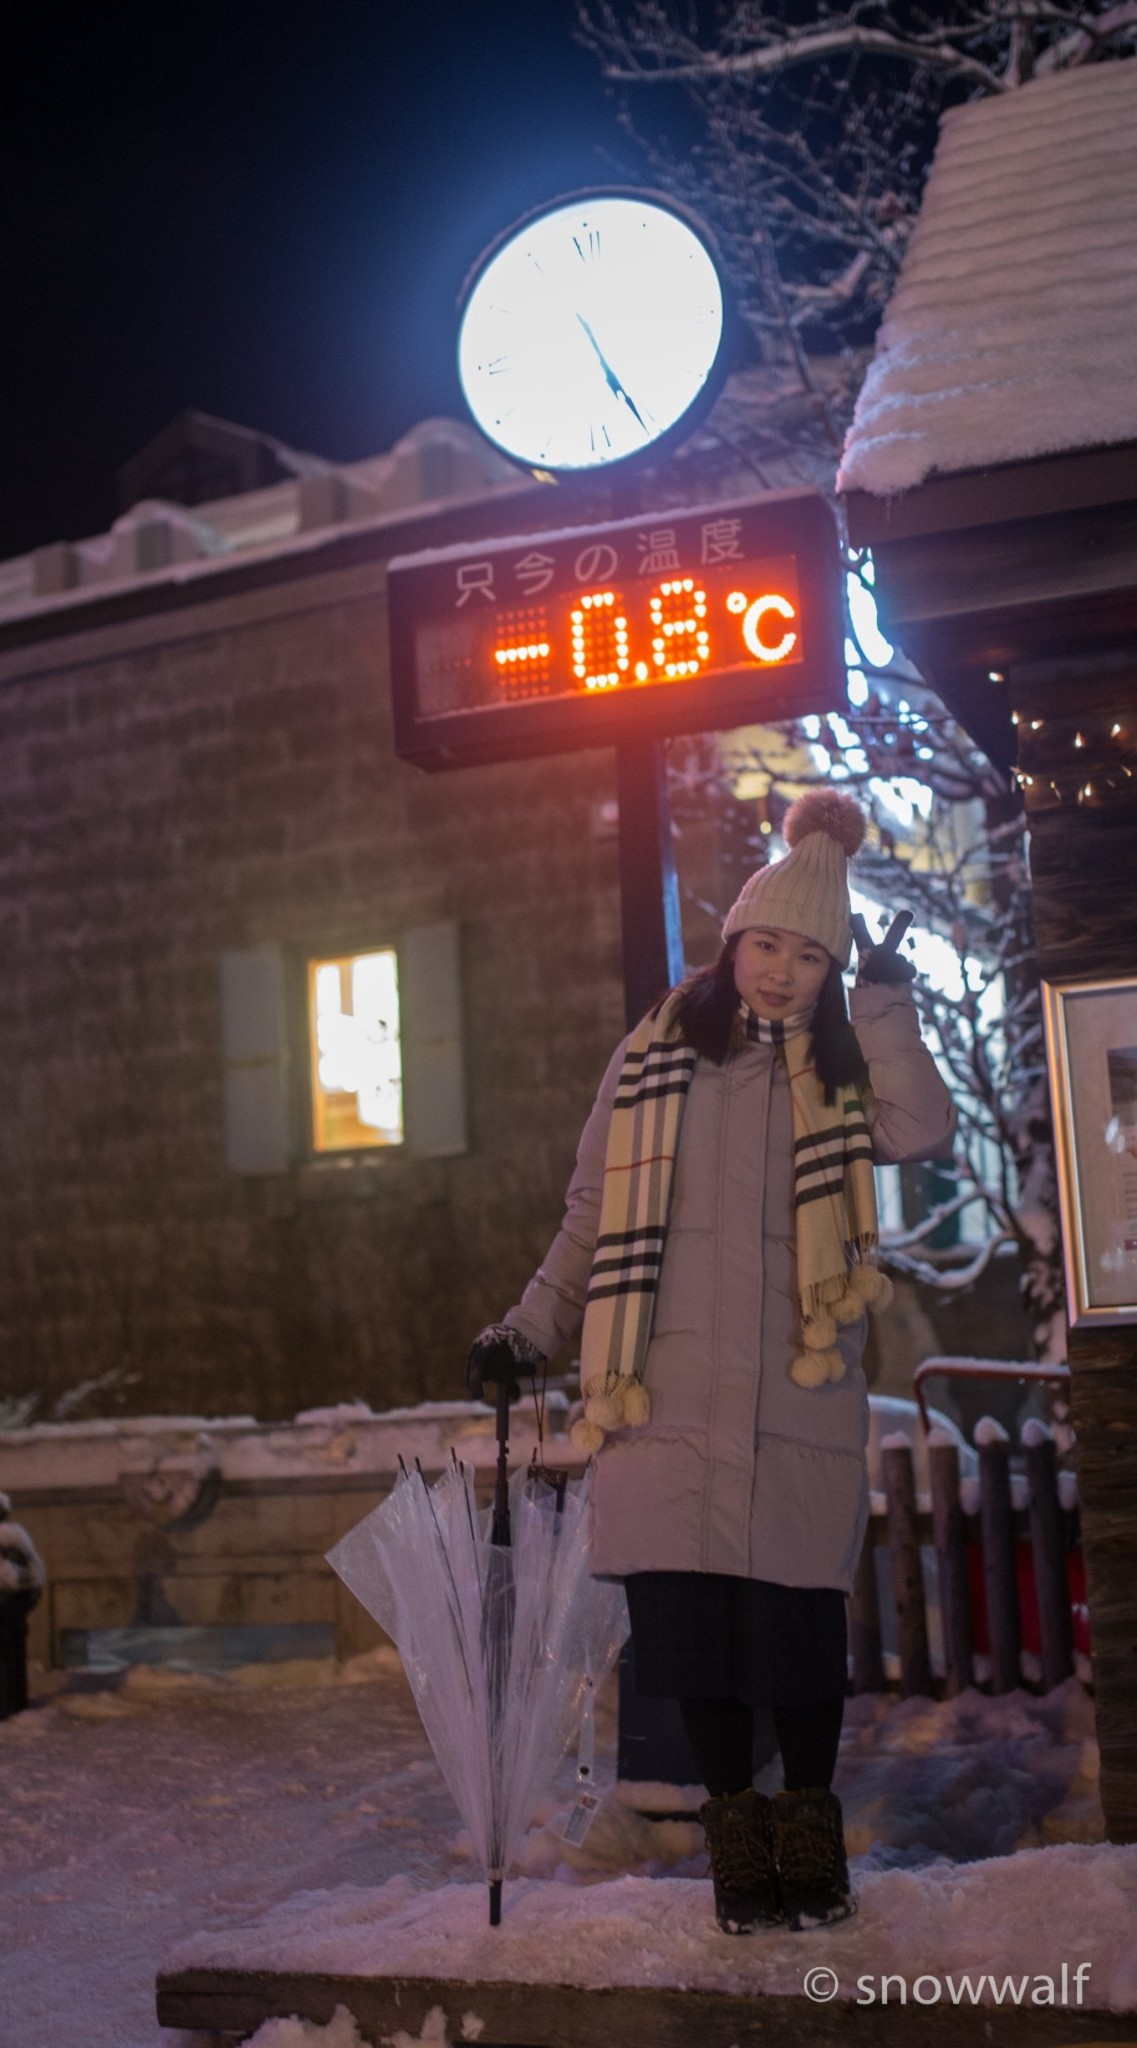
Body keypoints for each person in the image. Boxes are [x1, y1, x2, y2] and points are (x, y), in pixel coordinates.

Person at [467, 788, 956, 1935]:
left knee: (796, 1636)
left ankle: (810, 1833)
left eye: (809, 955)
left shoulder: (843, 1070)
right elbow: (592, 1214)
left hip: (797, 1388)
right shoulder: (649, 1062)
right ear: (735, 940)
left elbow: (925, 1124)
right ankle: (739, 1839)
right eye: (767, 944)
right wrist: (530, 1324)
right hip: (664, 1392)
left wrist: (886, 1004)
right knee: (699, 1643)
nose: (782, 971)